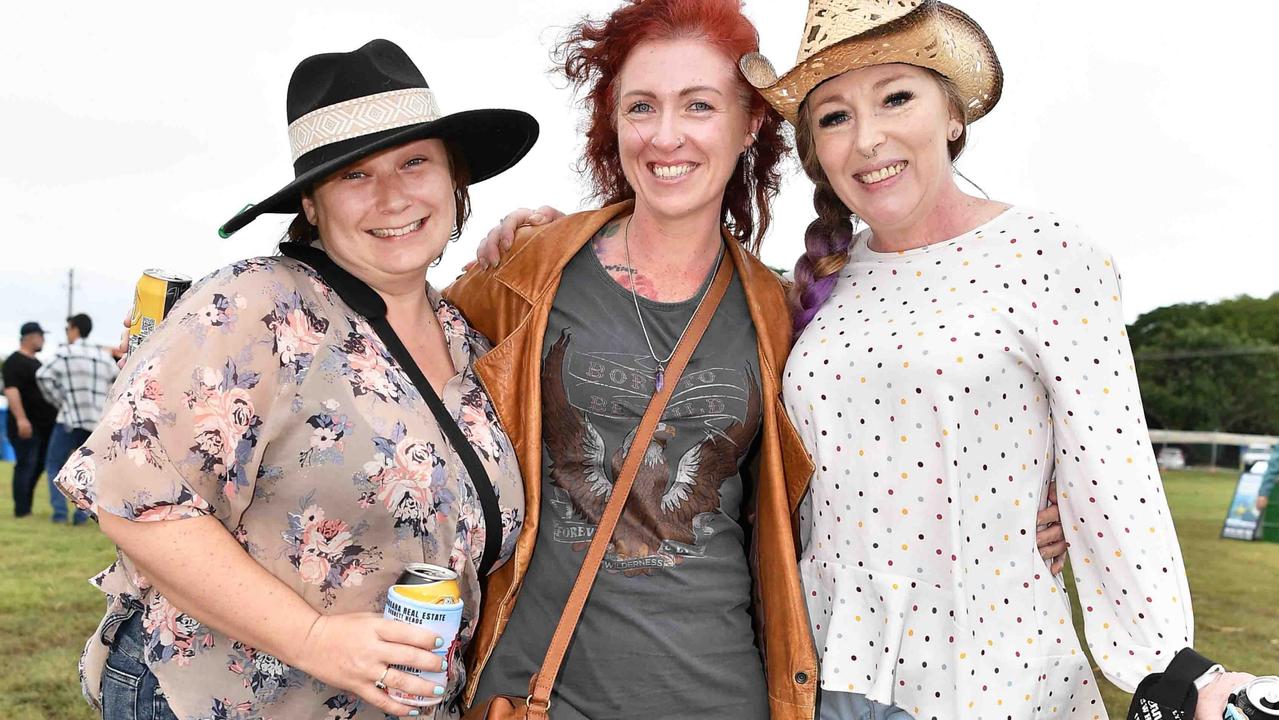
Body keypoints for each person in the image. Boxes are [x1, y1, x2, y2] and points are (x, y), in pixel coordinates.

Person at [459, 4, 1068, 717]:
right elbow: (404, 397)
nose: (665, 135)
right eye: (641, 107)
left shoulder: (786, 314)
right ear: (613, 123)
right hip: (536, 692)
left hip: (721, 695)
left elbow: (868, 461)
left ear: (749, 123)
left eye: (699, 105)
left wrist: (1017, 508)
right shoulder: (526, 274)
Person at [734, 1, 1255, 717]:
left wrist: (1169, 665)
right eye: (833, 117)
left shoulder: (1048, 255)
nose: (866, 138)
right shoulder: (816, 284)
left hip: (992, 672)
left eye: (895, 98)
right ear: (814, 150)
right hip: (827, 674)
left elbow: (1112, 471)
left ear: (951, 114)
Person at [53, 39, 536, 719]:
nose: (393, 196)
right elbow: (135, 497)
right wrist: (313, 639)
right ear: (312, 205)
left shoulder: (466, 335)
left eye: (414, 162)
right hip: (226, 700)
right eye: (355, 176)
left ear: (455, 182)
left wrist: (545, 243)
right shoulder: (258, 305)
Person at [37, 313, 118, 524]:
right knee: (88, 470)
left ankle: (60, 513)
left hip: (69, 419)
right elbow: (116, 379)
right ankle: (81, 515)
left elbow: (43, 375)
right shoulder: (102, 356)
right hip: (95, 422)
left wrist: (60, 401)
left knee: (55, 465)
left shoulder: (65, 353)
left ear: (74, 329)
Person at [3, 321, 58, 517]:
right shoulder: (14, 362)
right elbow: (11, 391)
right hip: (26, 424)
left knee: (39, 464)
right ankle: (22, 510)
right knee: (26, 464)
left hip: (45, 426)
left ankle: (27, 505)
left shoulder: (38, 364)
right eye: (40, 335)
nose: (43, 339)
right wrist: (21, 419)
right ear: (29, 337)